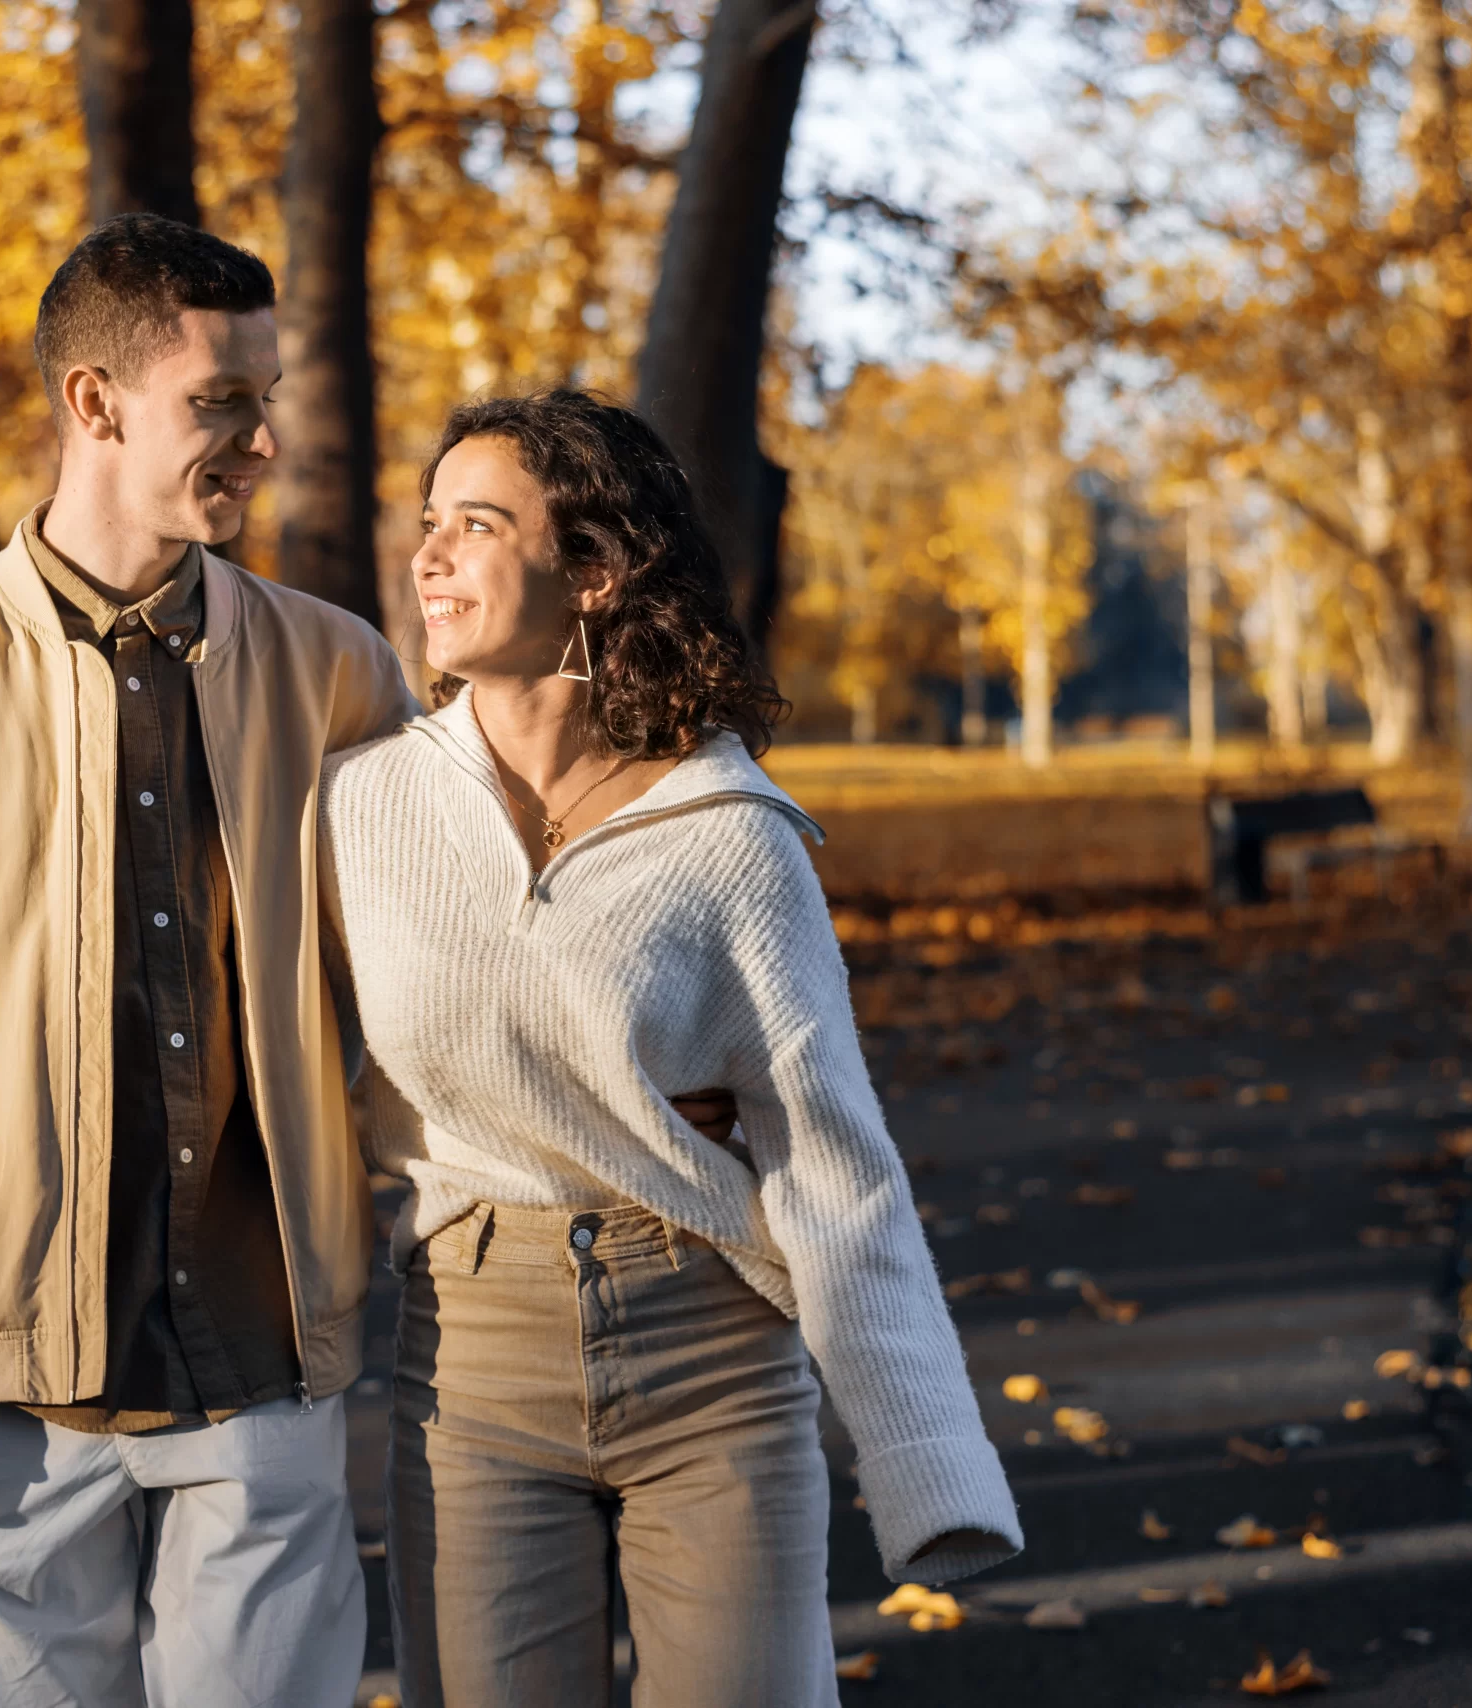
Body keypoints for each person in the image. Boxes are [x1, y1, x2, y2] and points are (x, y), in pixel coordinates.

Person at [0, 215, 421, 1708]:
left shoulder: (341, 671)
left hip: (266, 1349)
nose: (260, 439)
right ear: (93, 405)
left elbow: (429, 984)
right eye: (220, 403)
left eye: (265, 398)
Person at [320, 389, 1024, 1708]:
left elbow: (830, 1163)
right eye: (427, 524)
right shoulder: (361, 809)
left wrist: (930, 1465)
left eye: (477, 524)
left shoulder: (729, 834)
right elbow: (286, 1065)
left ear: (590, 570)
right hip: (470, 1360)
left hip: (711, 1352)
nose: (429, 557)